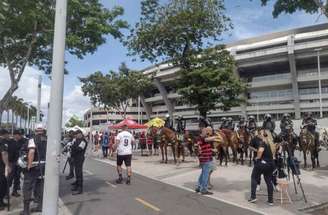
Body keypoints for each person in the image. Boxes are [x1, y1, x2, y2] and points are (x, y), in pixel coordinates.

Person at [20, 124, 47, 214]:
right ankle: (40, 206)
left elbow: (31, 151)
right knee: (40, 186)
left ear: (35, 130)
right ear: (43, 130)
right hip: (44, 167)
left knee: (27, 187)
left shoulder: (32, 139)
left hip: (34, 167)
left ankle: (26, 210)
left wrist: (29, 165)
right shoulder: (48, 139)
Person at [248, 129, 275, 206]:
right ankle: (270, 200)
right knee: (268, 181)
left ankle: (253, 197)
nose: (259, 135)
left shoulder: (263, 143)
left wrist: (257, 157)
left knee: (254, 178)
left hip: (262, 163)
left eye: (260, 133)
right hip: (270, 164)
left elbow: (260, 151)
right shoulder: (271, 143)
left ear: (263, 135)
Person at [195, 126, 213, 195]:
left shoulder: (201, 138)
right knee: (205, 174)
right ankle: (204, 189)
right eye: (206, 131)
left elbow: (204, 146)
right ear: (202, 132)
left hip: (204, 158)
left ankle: (199, 187)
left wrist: (211, 150)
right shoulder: (202, 138)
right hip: (205, 158)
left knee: (203, 173)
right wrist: (217, 137)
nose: (207, 132)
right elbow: (209, 139)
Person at [8, 129, 26, 197]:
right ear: (15, 135)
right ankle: (6, 192)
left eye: (20, 135)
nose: (20, 136)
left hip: (19, 162)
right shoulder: (10, 142)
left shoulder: (23, 141)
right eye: (18, 135)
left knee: (17, 177)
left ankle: (14, 191)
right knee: (10, 178)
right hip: (11, 163)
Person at [71, 129, 88, 195]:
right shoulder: (76, 140)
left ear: (80, 134)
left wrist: (73, 147)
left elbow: (79, 149)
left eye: (76, 134)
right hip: (75, 157)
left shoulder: (83, 141)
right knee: (76, 172)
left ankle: (80, 188)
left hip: (80, 158)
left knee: (79, 173)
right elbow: (73, 148)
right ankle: (77, 185)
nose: (75, 135)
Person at [0, 128, 10, 210]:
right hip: (1, 167)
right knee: (2, 185)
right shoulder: (3, 142)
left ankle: (1, 202)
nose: (9, 135)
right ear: (4, 134)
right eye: (8, 134)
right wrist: (7, 165)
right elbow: (4, 153)